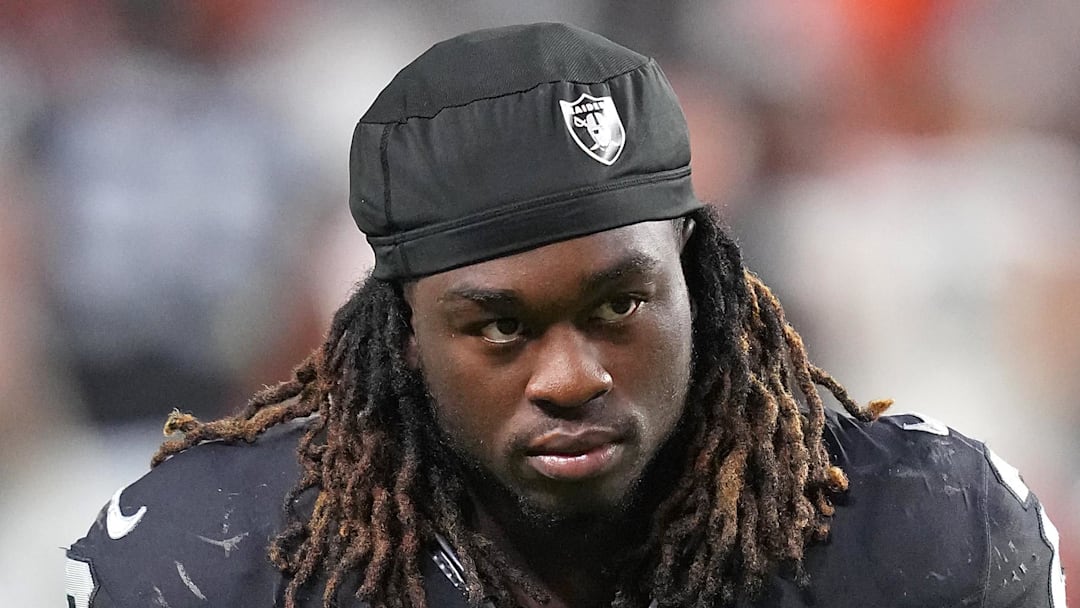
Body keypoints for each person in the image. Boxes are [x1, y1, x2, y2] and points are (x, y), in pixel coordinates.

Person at [65, 23, 1066, 608]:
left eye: (620, 303)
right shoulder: (210, 559)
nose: (573, 375)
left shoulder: (925, 524)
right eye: (500, 327)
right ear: (402, 335)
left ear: (699, 281)